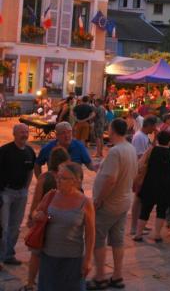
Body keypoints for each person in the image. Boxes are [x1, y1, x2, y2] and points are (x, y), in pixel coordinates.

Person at [87, 118, 137, 290]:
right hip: (123, 202)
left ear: (113, 130)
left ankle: (100, 277)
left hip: (109, 204)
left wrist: (99, 199)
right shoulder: (129, 148)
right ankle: (117, 276)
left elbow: (110, 179)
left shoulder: (116, 151)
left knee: (98, 240)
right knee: (117, 240)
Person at [33, 162, 95, 291]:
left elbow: (90, 233)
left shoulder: (85, 202)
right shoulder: (51, 195)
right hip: (48, 257)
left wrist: (88, 260)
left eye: (63, 178)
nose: (58, 180)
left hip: (73, 260)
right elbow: (35, 212)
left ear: (75, 181)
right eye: (58, 177)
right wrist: (37, 215)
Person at [22, 147, 70, 291]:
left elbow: (36, 201)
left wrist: (31, 218)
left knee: (36, 255)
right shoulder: (68, 178)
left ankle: (30, 284)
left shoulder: (44, 178)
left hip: (43, 221)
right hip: (61, 221)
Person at [133, 131, 170, 243]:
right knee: (161, 210)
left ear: (158, 140)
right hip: (166, 185)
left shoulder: (151, 150)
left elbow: (140, 164)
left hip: (150, 183)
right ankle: (157, 235)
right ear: (169, 141)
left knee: (145, 209)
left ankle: (138, 234)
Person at [0, 124, 37, 267]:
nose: (25, 134)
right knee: (3, 226)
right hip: (6, 193)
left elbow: (30, 171)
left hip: (21, 193)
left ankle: (9, 255)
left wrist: (26, 189)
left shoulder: (29, 151)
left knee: (15, 226)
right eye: (22, 132)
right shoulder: (5, 151)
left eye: (27, 132)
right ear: (14, 134)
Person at [130, 116, 157, 235]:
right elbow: (140, 156)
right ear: (149, 125)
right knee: (138, 199)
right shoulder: (139, 137)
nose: (155, 128)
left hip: (144, 172)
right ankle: (134, 227)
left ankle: (140, 223)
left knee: (142, 199)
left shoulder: (144, 136)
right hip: (140, 172)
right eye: (154, 126)